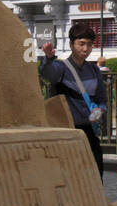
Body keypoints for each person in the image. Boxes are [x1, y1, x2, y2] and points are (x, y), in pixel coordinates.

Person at [40, 23, 108, 180]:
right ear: (71, 44)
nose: (86, 49)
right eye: (81, 44)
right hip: (66, 131)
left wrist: (100, 110)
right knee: (69, 177)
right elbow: (48, 74)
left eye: (89, 45)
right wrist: (49, 59)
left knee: (96, 174)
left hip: (88, 130)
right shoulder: (61, 67)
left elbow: (102, 99)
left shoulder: (94, 70)